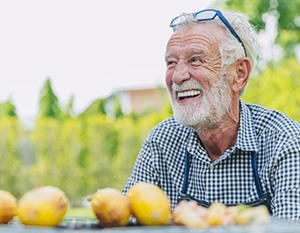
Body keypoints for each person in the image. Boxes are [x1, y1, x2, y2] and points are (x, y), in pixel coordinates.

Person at [123, 7, 300, 221]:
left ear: (239, 74)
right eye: (171, 63)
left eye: (196, 60)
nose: (177, 76)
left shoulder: (283, 139)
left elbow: (291, 227)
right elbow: (125, 220)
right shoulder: (162, 141)